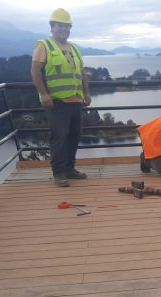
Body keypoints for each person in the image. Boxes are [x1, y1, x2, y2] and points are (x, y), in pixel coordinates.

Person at [31, 8, 91, 187]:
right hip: (57, 102)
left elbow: (81, 73)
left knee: (73, 137)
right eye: (60, 25)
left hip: (76, 101)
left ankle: (69, 169)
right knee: (58, 138)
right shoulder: (45, 46)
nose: (64, 29)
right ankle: (58, 173)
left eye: (67, 26)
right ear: (52, 27)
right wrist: (44, 94)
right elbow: (35, 71)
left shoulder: (74, 49)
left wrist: (86, 93)